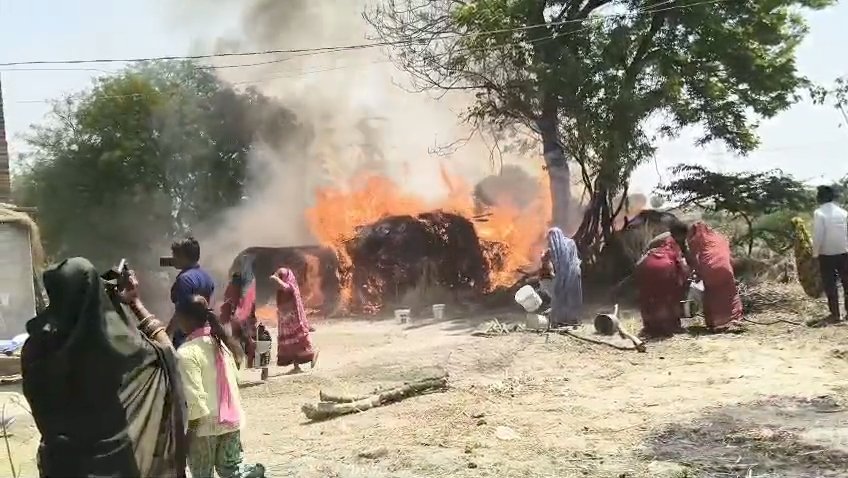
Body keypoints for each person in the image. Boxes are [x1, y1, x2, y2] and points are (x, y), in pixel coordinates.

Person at [21, 257, 187, 478]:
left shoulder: (34, 348)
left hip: (61, 466)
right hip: (117, 468)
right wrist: (134, 303)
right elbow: (168, 355)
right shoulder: (116, 344)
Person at [175, 295, 265, 478]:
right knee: (232, 470)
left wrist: (187, 437)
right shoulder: (223, 343)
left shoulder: (186, 352)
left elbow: (195, 399)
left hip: (203, 428)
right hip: (232, 421)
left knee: (202, 474)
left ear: (186, 319)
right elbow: (235, 382)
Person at [634, 222, 691, 337]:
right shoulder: (669, 241)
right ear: (680, 234)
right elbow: (681, 263)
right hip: (663, 266)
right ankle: (669, 326)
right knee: (668, 296)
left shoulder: (672, 239)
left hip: (646, 265)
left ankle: (650, 327)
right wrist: (685, 277)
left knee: (648, 298)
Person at [686, 221, 743, 331]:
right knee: (731, 294)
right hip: (725, 267)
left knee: (712, 294)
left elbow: (694, 258)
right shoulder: (719, 238)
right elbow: (727, 254)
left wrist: (696, 272)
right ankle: (734, 320)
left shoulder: (695, 240)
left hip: (709, 269)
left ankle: (715, 323)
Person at [166, 236, 216, 349]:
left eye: (175, 255)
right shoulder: (207, 277)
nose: (172, 258)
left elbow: (180, 313)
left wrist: (165, 335)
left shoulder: (185, 279)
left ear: (183, 257)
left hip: (185, 336)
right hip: (203, 333)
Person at [271, 267, 318, 373]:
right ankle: (296, 366)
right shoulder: (280, 291)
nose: (280, 278)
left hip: (293, 320)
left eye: (281, 276)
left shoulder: (291, 287)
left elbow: (286, 287)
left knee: (299, 341)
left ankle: (312, 354)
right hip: (285, 320)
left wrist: (276, 278)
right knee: (290, 344)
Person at [812, 185, 848, 320]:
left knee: (830, 285)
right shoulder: (843, 213)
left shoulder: (819, 213)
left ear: (821, 197)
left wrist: (815, 254)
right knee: (847, 283)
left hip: (826, 254)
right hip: (844, 252)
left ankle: (835, 314)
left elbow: (818, 236)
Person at [220, 255, 257, 369]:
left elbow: (232, 299)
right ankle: (246, 361)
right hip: (242, 314)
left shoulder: (241, 282)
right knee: (244, 337)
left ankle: (242, 362)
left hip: (240, 315)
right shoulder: (246, 281)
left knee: (240, 337)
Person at [545, 227, 583, 326]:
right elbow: (553, 263)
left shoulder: (570, 243)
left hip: (572, 273)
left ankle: (572, 319)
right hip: (564, 273)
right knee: (561, 295)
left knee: (570, 295)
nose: (550, 240)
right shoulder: (554, 247)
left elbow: (570, 260)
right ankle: (561, 319)